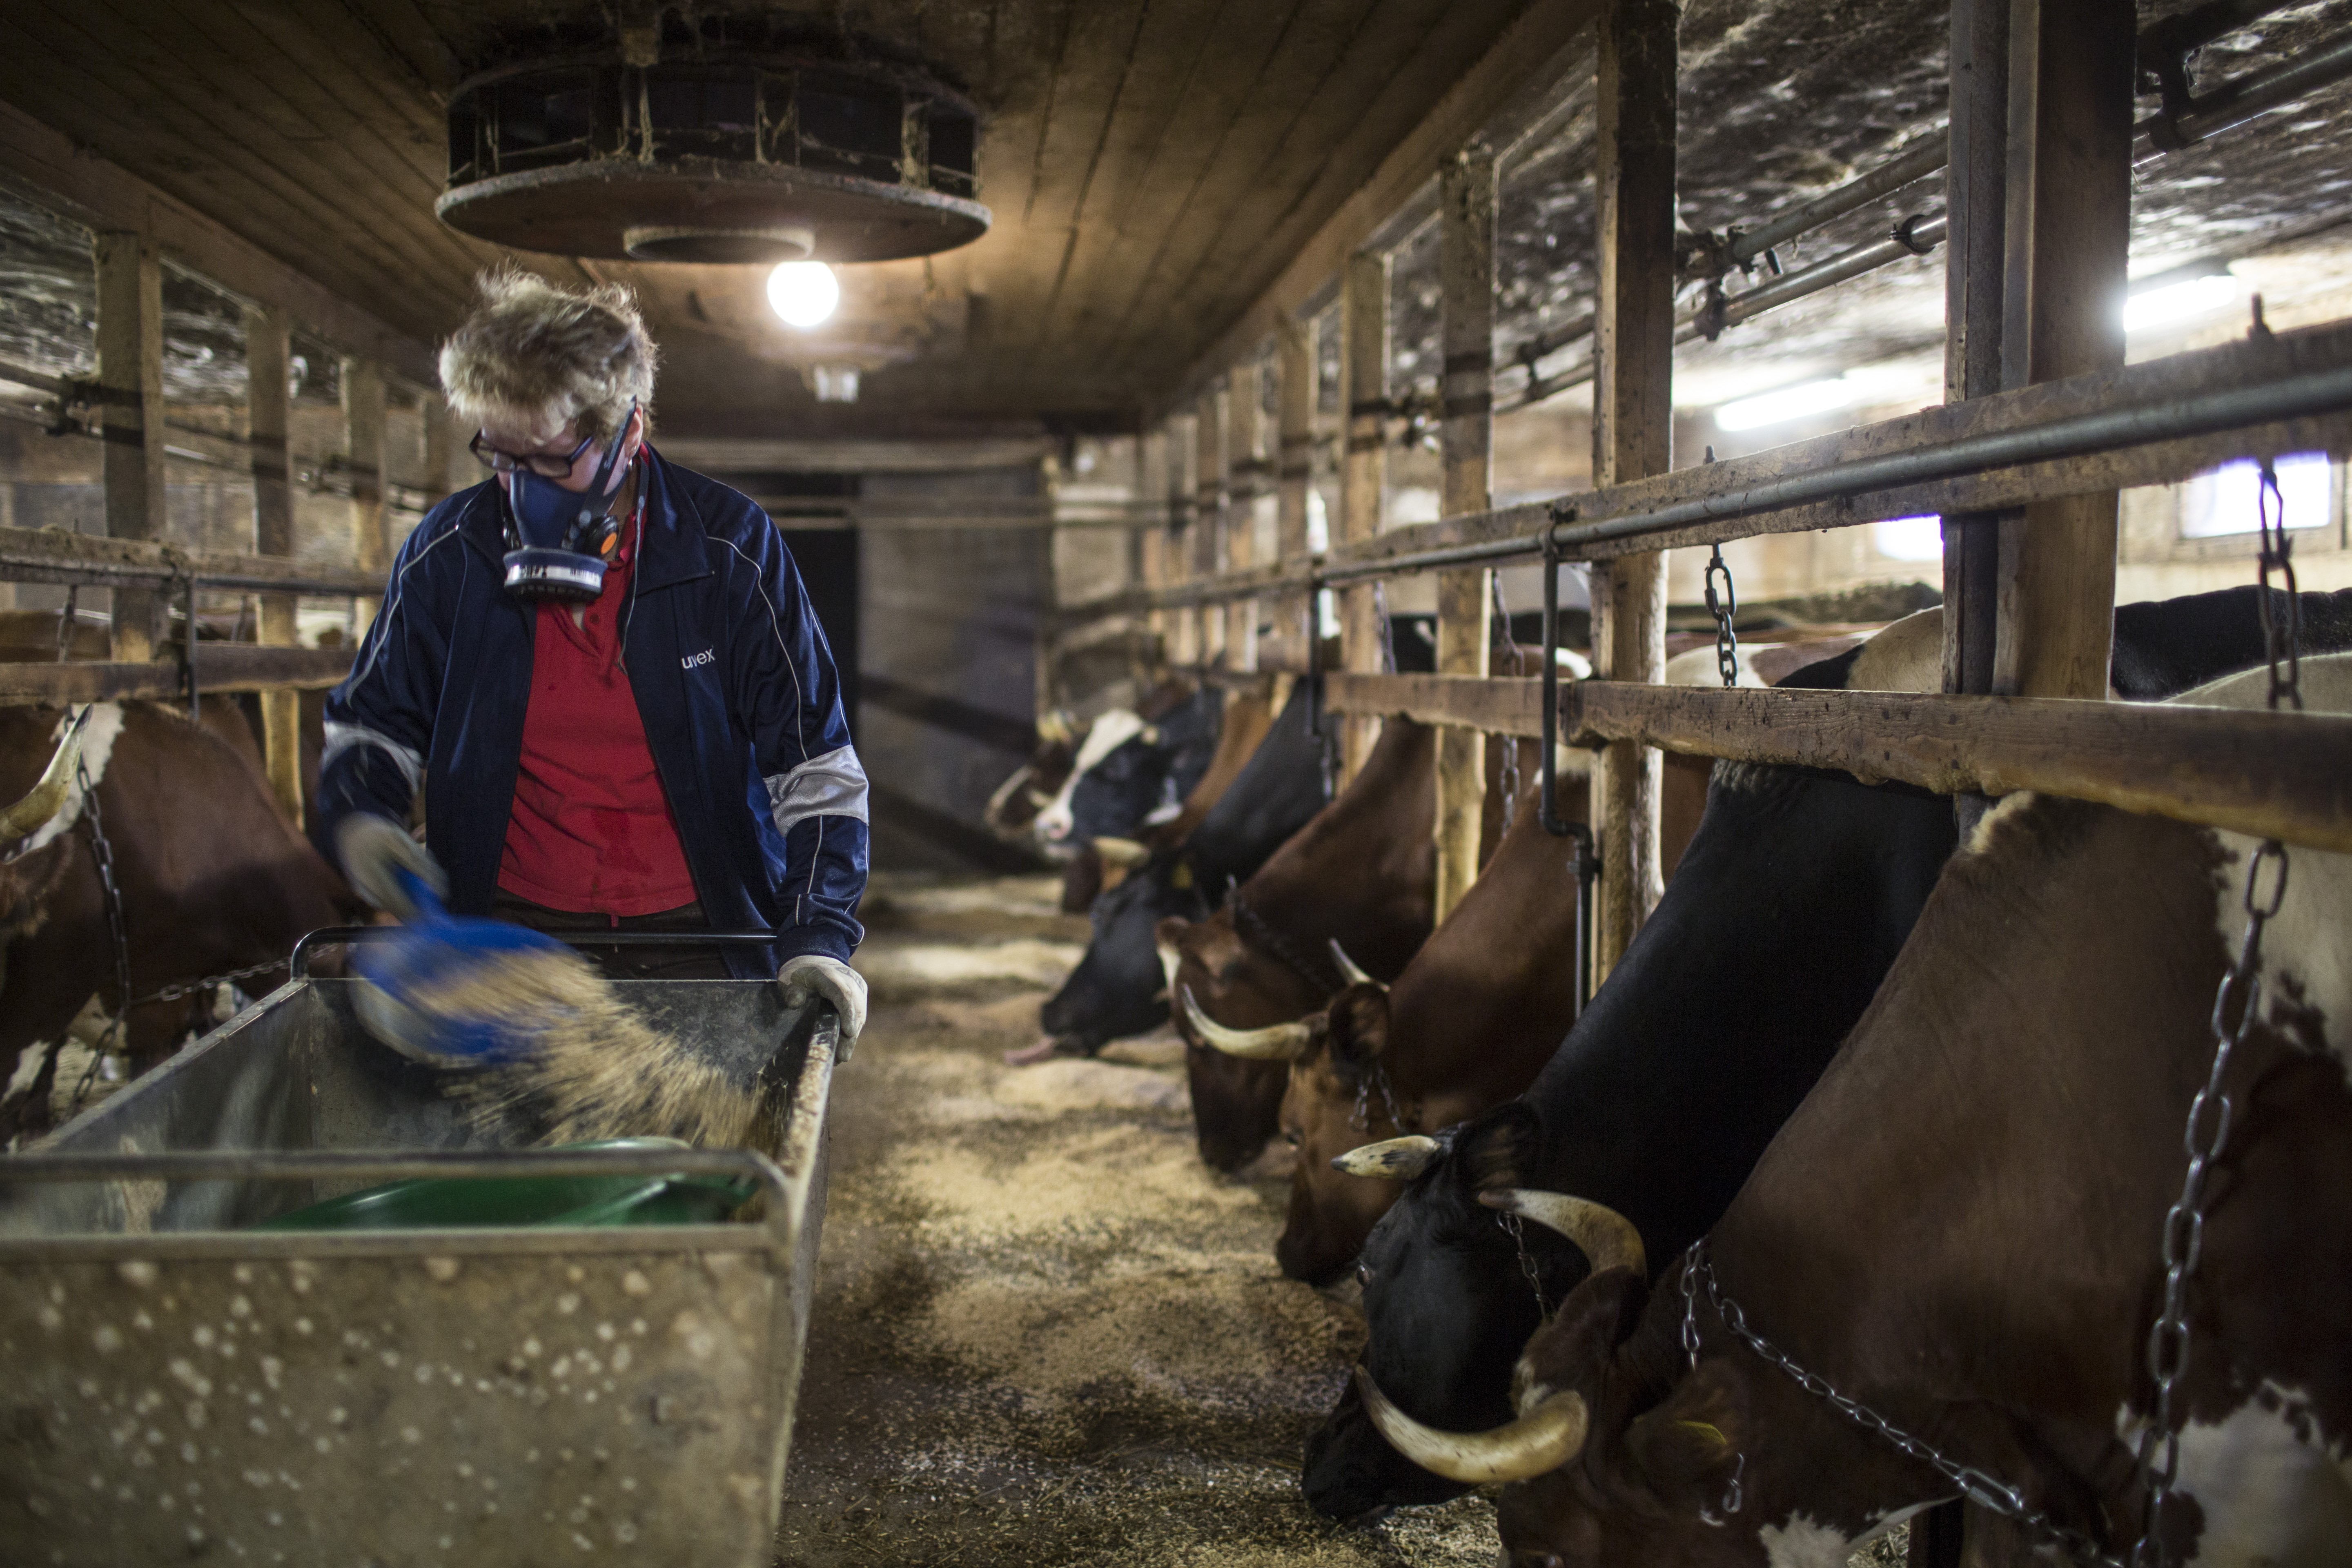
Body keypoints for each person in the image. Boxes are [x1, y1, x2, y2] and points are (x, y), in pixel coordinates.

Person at [314, 270, 868, 1049]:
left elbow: (816, 768)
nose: (522, 492)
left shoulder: (729, 551)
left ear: (629, 434)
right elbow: (372, 728)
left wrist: (819, 934)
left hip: (702, 934)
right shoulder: (451, 553)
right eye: (501, 458)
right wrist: (362, 817)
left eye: (552, 461)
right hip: (510, 938)